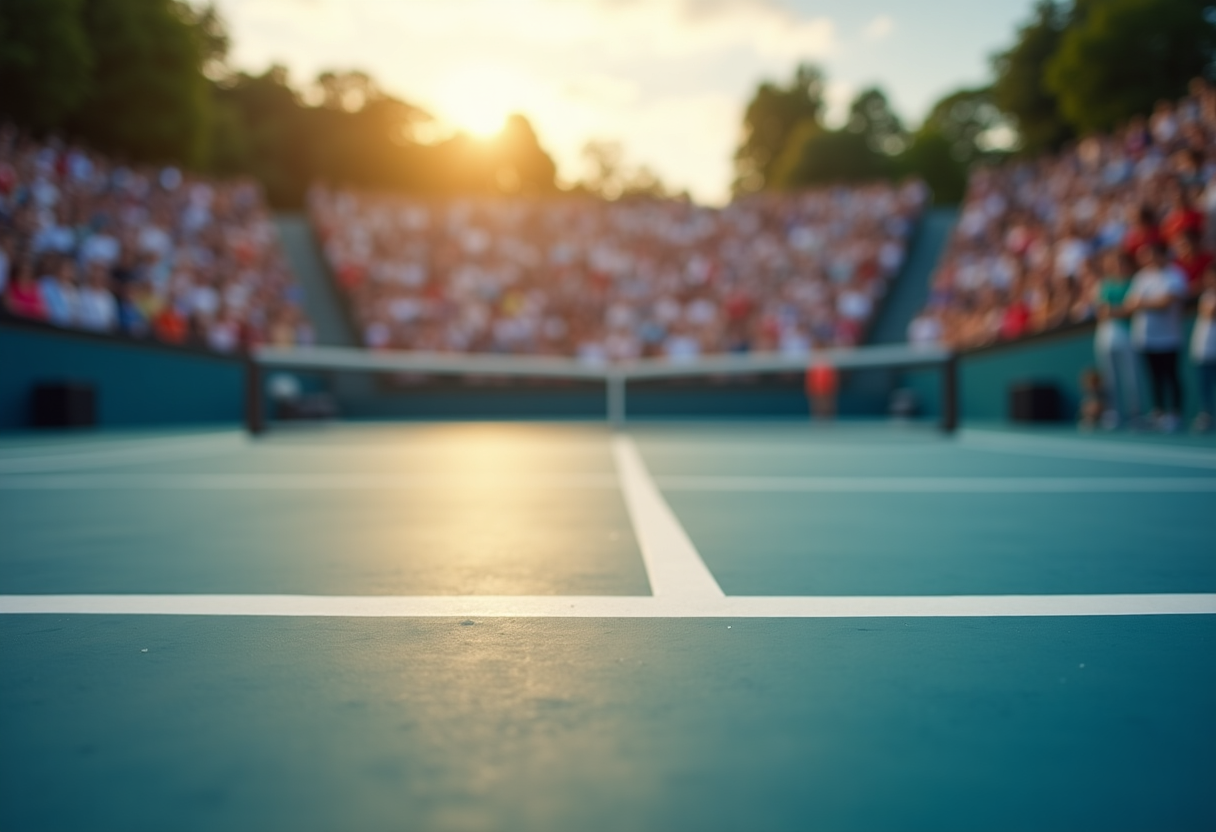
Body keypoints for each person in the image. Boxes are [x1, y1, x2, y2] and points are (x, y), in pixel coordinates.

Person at [1126, 243, 1188, 431]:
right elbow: (1130, 303)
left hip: (1170, 337)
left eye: (1151, 254)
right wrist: (1150, 302)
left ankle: (1176, 414)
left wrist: (1143, 303)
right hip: (1145, 337)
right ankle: (1158, 413)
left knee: (1171, 376)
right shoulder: (1142, 277)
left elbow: (1165, 303)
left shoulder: (1175, 274)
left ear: (1162, 254)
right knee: (1154, 378)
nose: (1148, 259)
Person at [1092, 250, 1139, 426]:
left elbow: (1130, 309)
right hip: (1105, 335)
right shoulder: (1105, 285)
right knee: (1109, 377)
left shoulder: (1134, 283)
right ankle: (1112, 412)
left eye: (1120, 261)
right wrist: (1118, 311)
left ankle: (1135, 413)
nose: (1116, 266)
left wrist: (1115, 311)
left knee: (1131, 376)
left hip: (1128, 334)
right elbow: (1101, 310)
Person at [1191, 264, 1216, 432]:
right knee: (1204, 386)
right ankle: (1205, 415)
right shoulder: (1206, 295)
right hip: (1203, 350)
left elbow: (1210, 312)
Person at [805, 352, 838, 421]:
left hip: (827, 387)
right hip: (815, 387)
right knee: (817, 403)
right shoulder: (812, 362)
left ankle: (829, 419)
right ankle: (818, 419)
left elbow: (832, 376)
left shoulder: (829, 362)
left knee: (827, 402)